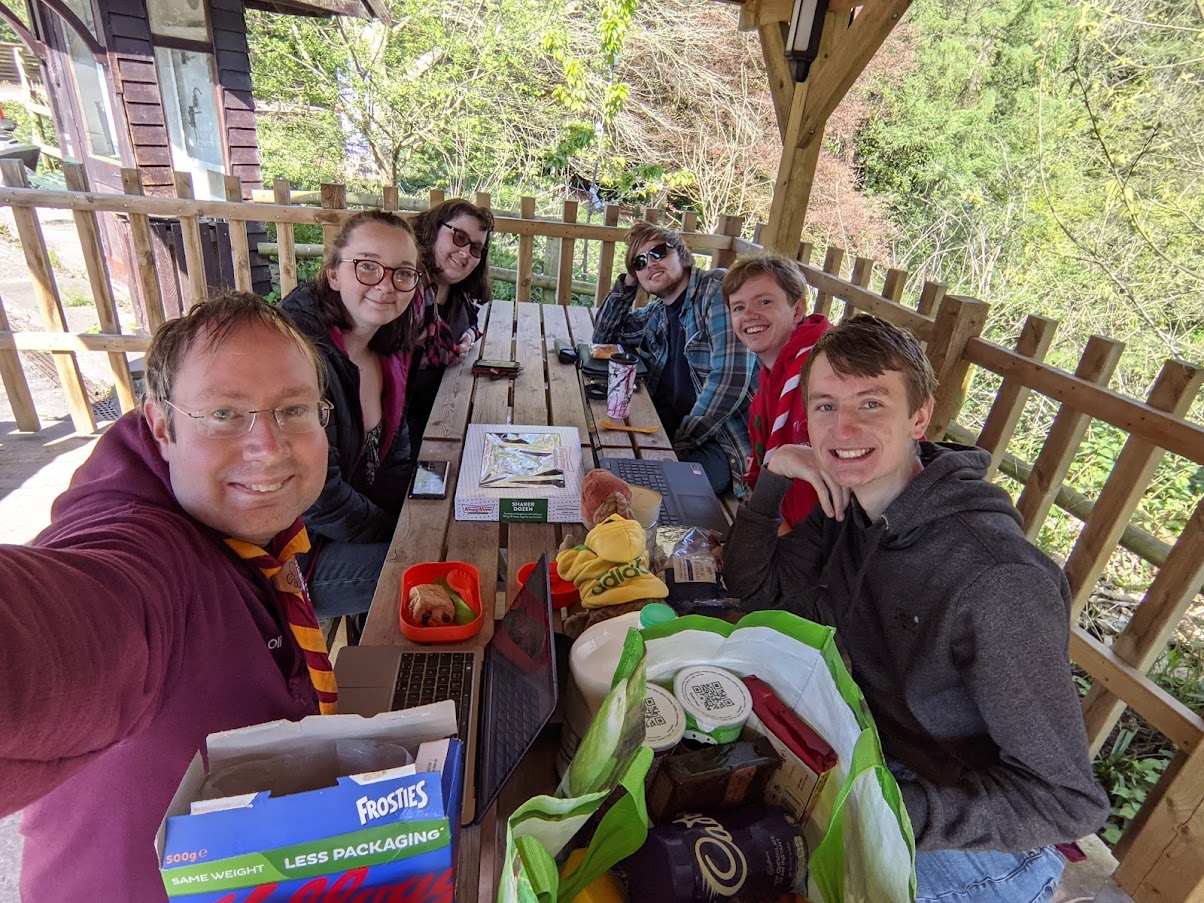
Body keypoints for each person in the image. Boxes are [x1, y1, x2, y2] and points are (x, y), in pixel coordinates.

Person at [723, 314, 1110, 903]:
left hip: (974, 830)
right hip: (866, 752)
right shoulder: (850, 505)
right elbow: (754, 588)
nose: (843, 427)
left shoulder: (995, 580)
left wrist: (873, 808)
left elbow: (1064, 802)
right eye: (826, 406)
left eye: (871, 404)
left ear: (920, 418)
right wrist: (776, 473)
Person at [0, 292, 334, 902]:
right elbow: (63, 630)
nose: (269, 447)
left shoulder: (245, 528)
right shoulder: (143, 551)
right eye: (224, 414)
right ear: (160, 425)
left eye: (292, 409)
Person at [281, 210, 422, 620]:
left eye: (402, 273)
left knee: (444, 539)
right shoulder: (298, 357)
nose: (386, 285)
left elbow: (395, 460)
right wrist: (395, 531)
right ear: (333, 274)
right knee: (439, 566)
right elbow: (317, 499)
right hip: (292, 556)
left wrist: (414, 518)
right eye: (368, 267)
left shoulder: (388, 352)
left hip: (347, 530)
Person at [593, 222, 755, 495]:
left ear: (681, 253)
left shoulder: (716, 293)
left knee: (645, 493)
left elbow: (730, 379)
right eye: (640, 262)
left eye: (658, 252)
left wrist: (680, 439)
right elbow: (603, 337)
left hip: (719, 441)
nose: (650, 264)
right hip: (666, 426)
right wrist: (630, 282)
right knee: (600, 464)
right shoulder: (659, 312)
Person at [723, 252, 831, 528]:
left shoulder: (827, 367)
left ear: (797, 310)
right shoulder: (770, 376)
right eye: (738, 308)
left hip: (826, 536)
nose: (749, 315)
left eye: (764, 302)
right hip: (784, 524)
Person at [407, 198, 493, 448]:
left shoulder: (457, 292)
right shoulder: (408, 292)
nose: (465, 253)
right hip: (409, 430)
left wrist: (468, 337)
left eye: (476, 248)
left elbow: (472, 324)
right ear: (432, 230)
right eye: (459, 237)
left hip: (445, 412)